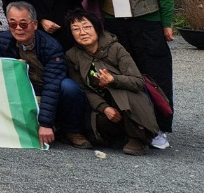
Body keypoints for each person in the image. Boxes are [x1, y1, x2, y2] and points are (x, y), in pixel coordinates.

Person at [86, 0, 175, 149]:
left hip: (147, 24)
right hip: (115, 26)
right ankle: (133, 127)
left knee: (155, 76)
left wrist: (166, 24)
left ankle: (160, 128)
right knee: (123, 77)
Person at [0, 2, 89, 149]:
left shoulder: (51, 46)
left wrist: (45, 124)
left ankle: (71, 130)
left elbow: (52, 85)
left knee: (69, 88)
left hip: (45, 88)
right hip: (21, 89)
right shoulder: (2, 40)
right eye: (13, 24)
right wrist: (12, 65)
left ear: (35, 24)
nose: (18, 28)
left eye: (23, 24)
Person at [63, 10, 160, 155]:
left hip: (127, 99)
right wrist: (104, 108)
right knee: (102, 120)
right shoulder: (72, 55)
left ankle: (139, 138)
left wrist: (114, 80)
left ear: (96, 28)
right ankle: (118, 137)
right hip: (101, 103)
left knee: (120, 91)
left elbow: (138, 81)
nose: (82, 32)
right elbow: (84, 89)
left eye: (87, 27)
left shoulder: (115, 48)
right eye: (76, 29)